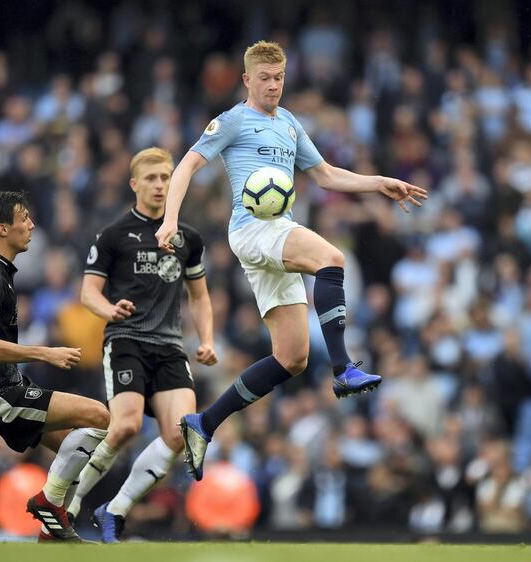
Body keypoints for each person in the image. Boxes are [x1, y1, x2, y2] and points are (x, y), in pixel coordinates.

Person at [154, 41, 428, 480]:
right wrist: (170, 219)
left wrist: (379, 182)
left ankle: (203, 423)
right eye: (264, 78)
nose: (273, 85)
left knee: (292, 358)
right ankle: (343, 369)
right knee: (332, 257)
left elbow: (325, 175)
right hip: (253, 229)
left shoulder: (290, 124)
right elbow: (185, 166)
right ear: (247, 80)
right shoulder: (231, 121)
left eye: (279, 77)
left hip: (275, 234)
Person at [67, 147, 217, 542]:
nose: (160, 185)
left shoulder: (188, 238)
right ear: (134, 184)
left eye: (166, 177)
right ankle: (69, 503)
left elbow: (199, 296)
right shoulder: (114, 235)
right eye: (151, 178)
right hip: (127, 338)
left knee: (178, 435)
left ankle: (114, 509)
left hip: (169, 346)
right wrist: (109, 309)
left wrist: (207, 339)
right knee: (126, 427)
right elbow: (88, 293)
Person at [0, 190, 110, 542]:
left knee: (75, 455)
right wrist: (46, 353)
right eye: (24, 218)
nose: (32, 225)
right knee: (99, 416)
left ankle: (50, 535)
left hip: (3, 388)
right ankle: (47, 504)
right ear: (3, 228)